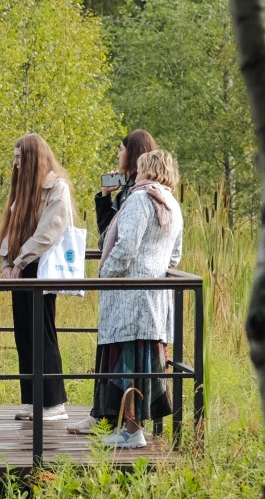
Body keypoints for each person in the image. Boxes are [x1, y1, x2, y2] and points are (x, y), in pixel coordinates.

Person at [77, 149, 185, 448]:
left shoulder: (140, 199)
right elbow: (175, 256)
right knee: (143, 360)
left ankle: (131, 430)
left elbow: (125, 248)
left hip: (130, 295)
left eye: (138, 169)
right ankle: (132, 428)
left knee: (127, 362)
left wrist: (104, 274)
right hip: (155, 294)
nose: (135, 174)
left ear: (147, 170)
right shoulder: (172, 203)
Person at [0, 134, 74, 422]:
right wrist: (6, 261)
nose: (16, 163)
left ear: (32, 157)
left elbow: (49, 232)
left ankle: (54, 403)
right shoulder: (24, 187)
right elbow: (11, 225)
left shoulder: (56, 187)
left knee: (42, 332)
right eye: (14, 157)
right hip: (21, 266)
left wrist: (18, 260)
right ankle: (33, 399)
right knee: (24, 332)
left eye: (20, 157)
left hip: (40, 267)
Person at [95, 129, 158, 244]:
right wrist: (105, 194)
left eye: (121, 149)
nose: (118, 154)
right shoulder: (157, 189)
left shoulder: (135, 193)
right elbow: (107, 234)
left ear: (131, 153)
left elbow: (110, 238)